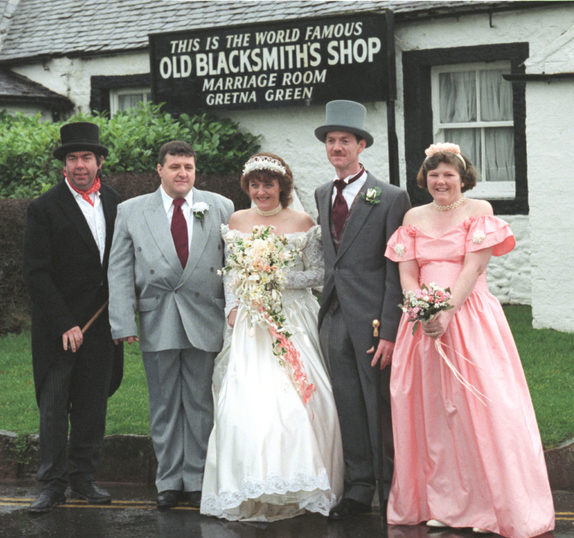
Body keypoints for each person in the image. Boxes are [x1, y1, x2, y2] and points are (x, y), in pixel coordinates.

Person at [384, 143, 555, 537]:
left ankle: (487, 504)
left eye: (448, 174)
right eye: (433, 174)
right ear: (424, 179)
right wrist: (421, 310)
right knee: (433, 414)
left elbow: (474, 267)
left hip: (469, 317)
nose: (440, 182)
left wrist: (446, 310)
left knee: (482, 408)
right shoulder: (412, 216)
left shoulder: (480, 212)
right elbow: (407, 273)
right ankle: (442, 503)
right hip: (423, 326)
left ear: (463, 178)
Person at [200, 153, 344, 521]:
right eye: (254, 184)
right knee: (246, 402)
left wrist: (275, 278)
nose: (261, 191)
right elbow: (232, 272)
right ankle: (252, 482)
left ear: (282, 186)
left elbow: (318, 273)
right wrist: (232, 307)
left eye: (268, 184)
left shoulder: (302, 221)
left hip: (293, 317)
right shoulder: (237, 220)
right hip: (249, 322)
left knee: (298, 397)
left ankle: (300, 480)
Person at [107, 140, 234, 511]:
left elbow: (233, 265)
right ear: (159, 170)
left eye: (189, 167)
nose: (183, 173)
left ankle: (195, 479)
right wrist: (121, 320)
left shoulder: (221, 206)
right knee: (164, 403)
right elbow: (118, 269)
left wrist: (235, 311)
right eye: (175, 166)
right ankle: (168, 480)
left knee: (198, 401)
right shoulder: (131, 211)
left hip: (204, 315)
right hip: (156, 314)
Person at [313, 100, 411, 518]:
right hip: (334, 315)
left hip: (373, 319)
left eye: (345, 141)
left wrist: (390, 330)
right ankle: (358, 487)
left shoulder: (390, 197)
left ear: (361, 146)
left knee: (379, 406)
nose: (337, 147)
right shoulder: (321, 193)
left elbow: (396, 270)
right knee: (347, 402)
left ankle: (392, 491)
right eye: (331, 141)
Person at [22, 121, 124, 513]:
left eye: (86, 157)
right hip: (59, 327)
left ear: (99, 161)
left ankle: (83, 478)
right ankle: (51, 483)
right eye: (71, 158)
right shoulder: (44, 208)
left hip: (102, 325)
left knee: (91, 404)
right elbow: (36, 272)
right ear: (63, 164)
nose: (79, 164)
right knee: (54, 405)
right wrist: (65, 322)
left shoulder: (116, 203)